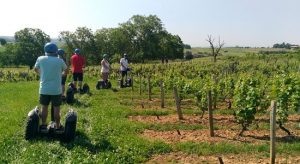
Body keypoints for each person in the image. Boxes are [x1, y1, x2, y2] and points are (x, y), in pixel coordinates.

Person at [34, 42, 67, 133]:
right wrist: (62, 75)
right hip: (56, 89)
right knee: (57, 108)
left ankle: (43, 126)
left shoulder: (40, 59)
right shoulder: (60, 60)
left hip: (44, 88)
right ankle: (58, 126)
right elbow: (66, 70)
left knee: (44, 107)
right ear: (55, 51)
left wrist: (41, 75)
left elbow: (35, 69)